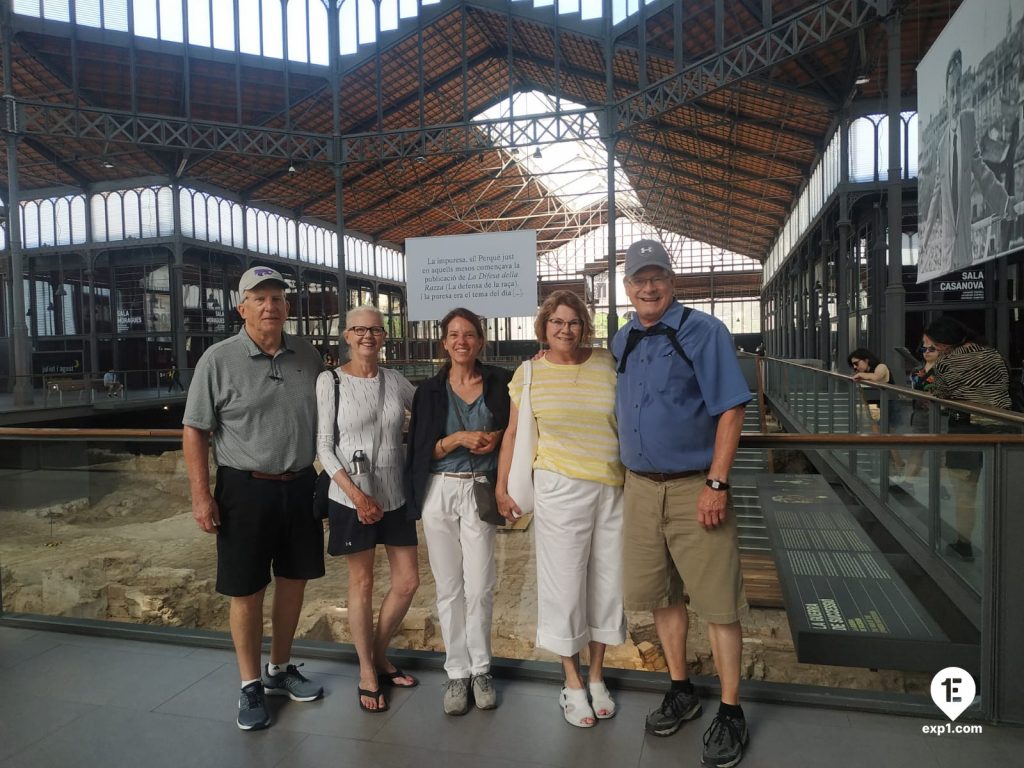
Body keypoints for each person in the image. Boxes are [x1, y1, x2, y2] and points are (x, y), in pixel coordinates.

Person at [612, 239, 752, 768]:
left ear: (673, 282)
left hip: (696, 485)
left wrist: (716, 483)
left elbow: (731, 410)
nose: (648, 287)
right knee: (661, 595)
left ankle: (732, 710)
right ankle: (681, 688)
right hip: (641, 487)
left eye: (657, 277)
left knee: (717, 602)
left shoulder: (705, 331)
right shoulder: (622, 336)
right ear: (626, 287)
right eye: (638, 279)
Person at [182, 265, 325, 731]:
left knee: (294, 580)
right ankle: (248, 685)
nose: (270, 306)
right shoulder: (218, 360)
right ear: (241, 306)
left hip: (301, 485)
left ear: (287, 307)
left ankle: (279, 670)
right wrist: (202, 496)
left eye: (278, 298)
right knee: (246, 590)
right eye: (259, 298)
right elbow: (195, 430)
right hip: (245, 489)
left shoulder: (306, 354)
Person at [495, 290, 625, 729]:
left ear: (583, 326)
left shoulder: (607, 363)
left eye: (572, 322)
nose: (565, 329)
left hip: (611, 485)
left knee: (607, 583)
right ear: (544, 328)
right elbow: (513, 434)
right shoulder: (529, 371)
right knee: (565, 584)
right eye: (557, 322)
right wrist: (501, 485)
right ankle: (571, 682)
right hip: (559, 485)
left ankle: (597, 675)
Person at [405, 308, 512, 717]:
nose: (462, 341)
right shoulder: (429, 391)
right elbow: (421, 450)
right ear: (444, 343)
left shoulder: (500, 381)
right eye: (454, 335)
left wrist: (495, 436)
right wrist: (455, 440)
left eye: (469, 334)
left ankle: (482, 668)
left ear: (480, 341)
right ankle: (457, 672)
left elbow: (515, 426)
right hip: (441, 491)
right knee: (449, 587)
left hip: (480, 490)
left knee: (481, 584)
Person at [316, 305, 419, 714]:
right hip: (351, 497)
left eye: (375, 330)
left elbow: (432, 407)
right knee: (361, 584)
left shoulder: (395, 380)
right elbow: (323, 445)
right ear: (346, 334)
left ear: (384, 335)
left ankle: (377, 653)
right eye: (359, 329)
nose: (367, 337)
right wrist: (358, 496)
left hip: (394, 495)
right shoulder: (331, 381)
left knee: (407, 581)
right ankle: (367, 671)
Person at [925, 316, 1010, 562]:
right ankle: (1005, 545)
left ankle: (965, 544)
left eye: (935, 343)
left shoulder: (947, 362)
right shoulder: (993, 354)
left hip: (966, 428)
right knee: (1004, 490)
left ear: (944, 342)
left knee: (965, 493)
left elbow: (940, 396)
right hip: (1004, 427)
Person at [922, 49, 1016, 272]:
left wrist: (1004, 202)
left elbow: (981, 171)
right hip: (947, 250)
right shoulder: (942, 143)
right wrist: (924, 237)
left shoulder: (969, 120)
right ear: (946, 95)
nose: (956, 99)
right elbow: (936, 192)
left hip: (963, 246)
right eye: (952, 92)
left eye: (959, 90)